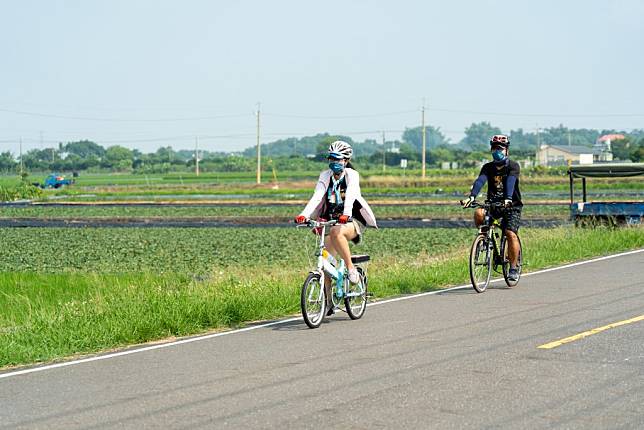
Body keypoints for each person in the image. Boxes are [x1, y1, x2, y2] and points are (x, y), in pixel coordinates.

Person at [295, 140, 377, 310]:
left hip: (352, 220)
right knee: (324, 261)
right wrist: (304, 215)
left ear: (346, 160)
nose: (334, 163)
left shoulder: (351, 175)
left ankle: (350, 268)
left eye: (338, 159)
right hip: (332, 220)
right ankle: (328, 302)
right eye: (331, 159)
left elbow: (352, 195)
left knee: (337, 232)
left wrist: (346, 213)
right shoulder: (325, 176)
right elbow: (317, 196)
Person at [462, 134, 522, 281]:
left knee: (510, 234)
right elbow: (480, 181)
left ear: (507, 150)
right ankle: (485, 240)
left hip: (511, 205)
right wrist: (471, 197)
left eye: (500, 148)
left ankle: (513, 268)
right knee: (478, 214)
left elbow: (511, 183)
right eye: (494, 148)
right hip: (493, 204)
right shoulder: (488, 167)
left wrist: (508, 198)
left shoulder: (513, 166)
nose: (497, 150)